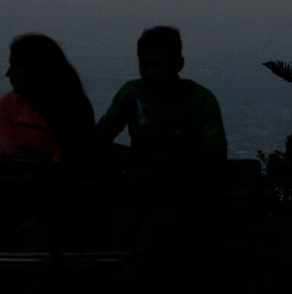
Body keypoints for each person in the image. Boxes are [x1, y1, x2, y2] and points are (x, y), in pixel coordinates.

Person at [94, 25, 227, 205]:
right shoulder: (131, 94)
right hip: (138, 189)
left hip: (184, 192)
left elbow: (215, 158)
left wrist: (168, 138)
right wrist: (119, 111)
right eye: (144, 66)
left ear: (178, 65)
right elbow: (96, 142)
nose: (150, 74)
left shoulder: (199, 99)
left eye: (158, 67)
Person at [0, 33, 95, 162]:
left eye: (15, 66)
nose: (8, 73)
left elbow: (67, 164)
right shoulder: (9, 103)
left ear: (36, 69)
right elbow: (8, 156)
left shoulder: (74, 108)